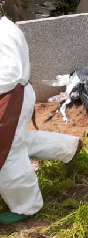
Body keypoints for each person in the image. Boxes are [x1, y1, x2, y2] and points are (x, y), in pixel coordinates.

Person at [0, 16, 82, 224]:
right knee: (17, 140)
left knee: (7, 154)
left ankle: (27, 206)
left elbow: (9, 75)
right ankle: (67, 147)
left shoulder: (3, 33)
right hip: (11, 96)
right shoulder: (5, 27)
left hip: (9, 97)